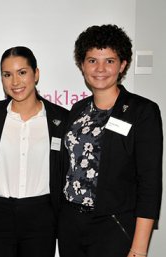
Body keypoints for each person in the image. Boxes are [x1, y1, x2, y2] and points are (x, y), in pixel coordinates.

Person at [58, 24, 163, 257]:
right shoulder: (77, 111)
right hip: (70, 225)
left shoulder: (142, 111)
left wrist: (139, 248)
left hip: (113, 226)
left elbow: (150, 184)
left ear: (123, 64)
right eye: (92, 60)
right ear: (82, 65)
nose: (100, 68)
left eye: (110, 60)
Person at [0, 46, 68, 257]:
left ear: (36, 74)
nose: (15, 82)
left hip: (41, 215)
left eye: (22, 72)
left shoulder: (61, 119)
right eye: (7, 75)